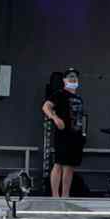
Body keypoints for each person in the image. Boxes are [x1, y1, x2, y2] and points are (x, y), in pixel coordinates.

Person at [41, 68, 86, 197]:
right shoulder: (59, 94)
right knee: (59, 163)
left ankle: (65, 195)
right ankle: (55, 195)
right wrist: (55, 118)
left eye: (75, 77)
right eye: (70, 76)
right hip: (63, 134)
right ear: (64, 80)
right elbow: (46, 106)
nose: (73, 79)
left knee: (70, 166)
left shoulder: (78, 98)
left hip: (76, 135)